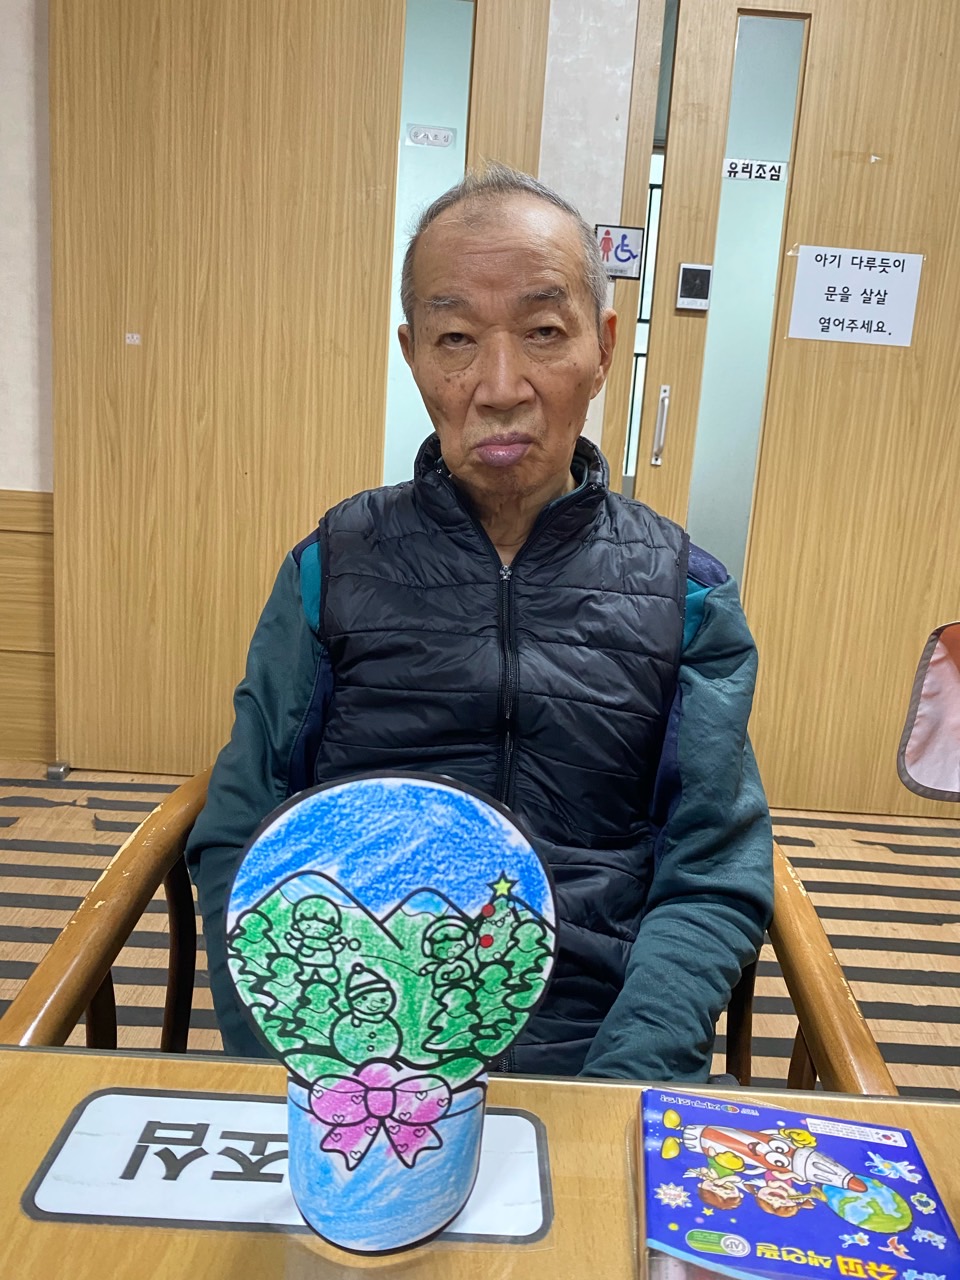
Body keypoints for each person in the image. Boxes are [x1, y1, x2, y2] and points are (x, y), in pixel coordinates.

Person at [185, 162, 773, 1082]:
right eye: (456, 337)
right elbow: (242, 828)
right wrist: (300, 1063)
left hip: (593, 1039)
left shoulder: (687, 593)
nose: (501, 386)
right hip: (351, 1036)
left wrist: (621, 1087)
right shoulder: (330, 565)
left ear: (603, 347)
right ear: (413, 354)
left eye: (543, 332)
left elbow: (712, 871)